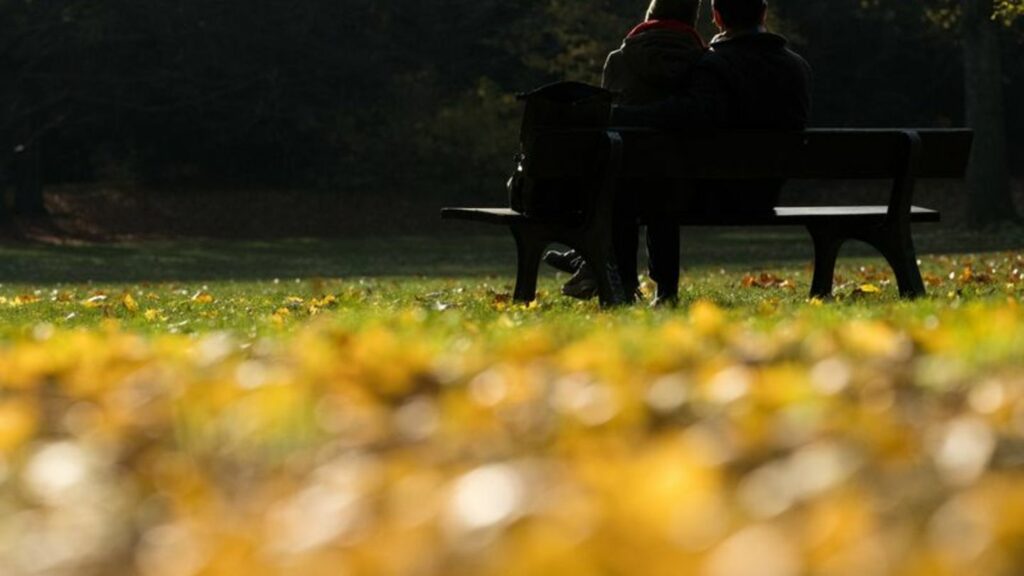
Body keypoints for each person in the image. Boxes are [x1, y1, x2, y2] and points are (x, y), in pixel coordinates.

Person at [553, 0, 813, 305]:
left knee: (647, 182)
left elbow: (692, 112)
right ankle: (604, 269)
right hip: (766, 194)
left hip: (714, 195)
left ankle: (614, 273)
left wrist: (621, 115)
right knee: (654, 180)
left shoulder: (715, 65)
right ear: (764, 12)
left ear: (716, 16)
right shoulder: (798, 67)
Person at [545, 0, 707, 301]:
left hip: (623, 185)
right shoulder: (704, 64)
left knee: (622, 181)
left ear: (650, 16)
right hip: (686, 185)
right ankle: (665, 293)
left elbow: (604, 127)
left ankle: (610, 276)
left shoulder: (620, 59)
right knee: (661, 187)